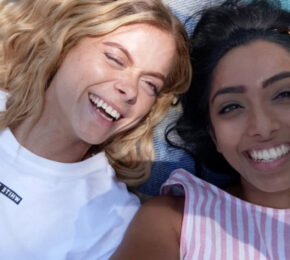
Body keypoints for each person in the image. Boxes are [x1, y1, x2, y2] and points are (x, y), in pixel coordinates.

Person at [0, 0, 191, 259]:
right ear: (66, 43)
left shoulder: (111, 219)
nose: (130, 89)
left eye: (149, 84)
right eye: (115, 58)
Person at [111, 0, 290, 259]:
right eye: (231, 107)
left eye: (284, 93)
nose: (262, 127)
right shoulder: (175, 223)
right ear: (213, 133)